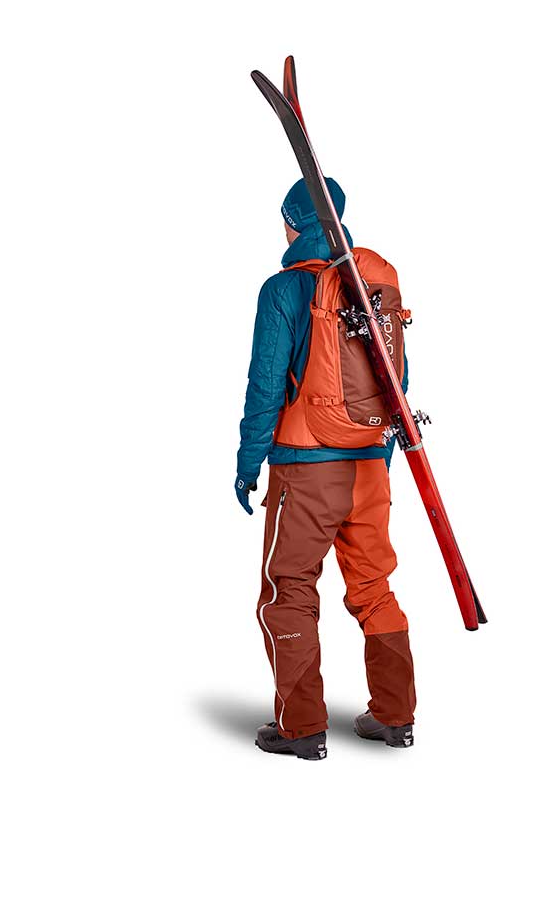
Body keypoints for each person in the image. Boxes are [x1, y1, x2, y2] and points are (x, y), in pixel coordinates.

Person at [235, 178, 416, 761]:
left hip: (306, 469)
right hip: (370, 466)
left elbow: (265, 385)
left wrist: (248, 462)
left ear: (292, 223)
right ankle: (395, 717)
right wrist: (378, 455)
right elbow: (396, 383)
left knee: (288, 589)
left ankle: (302, 727)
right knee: (373, 586)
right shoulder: (370, 287)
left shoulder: (284, 289)